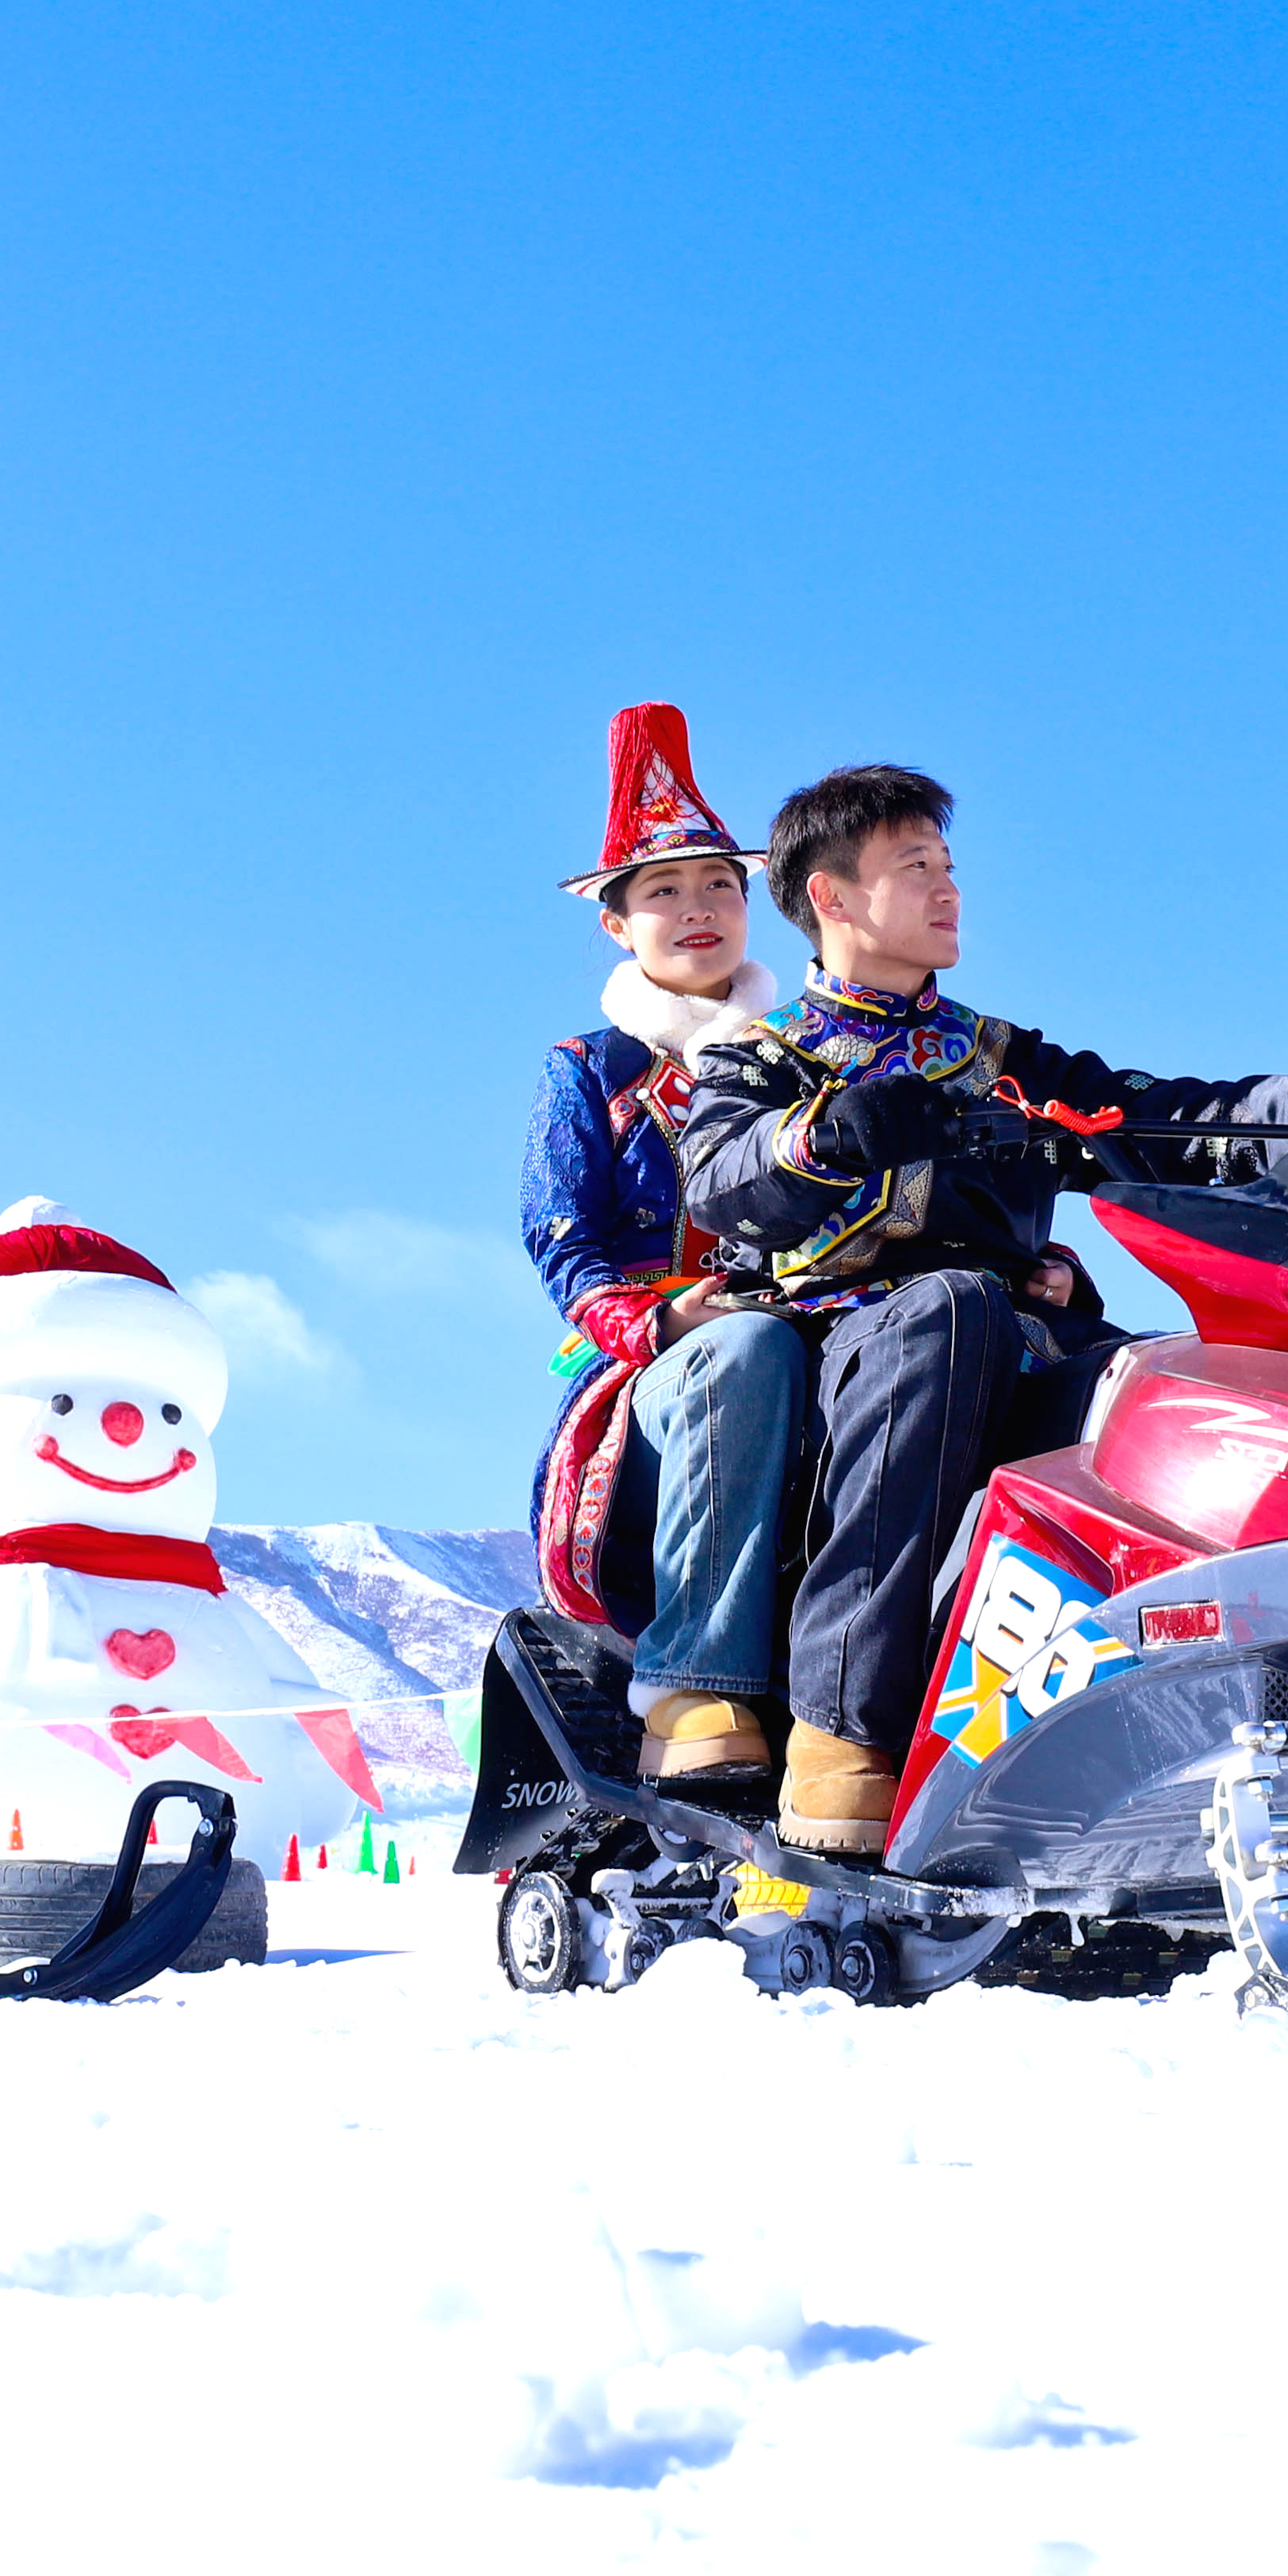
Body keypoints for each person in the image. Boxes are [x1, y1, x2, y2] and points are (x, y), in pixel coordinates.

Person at [683, 765, 1288, 1856]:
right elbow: (718, 1175)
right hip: (842, 1350)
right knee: (946, 1311)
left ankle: (1209, 1733)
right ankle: (844, 1724)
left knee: (1177, 1385)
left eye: (951, 868)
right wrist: (826, 1134)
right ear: (833, 898)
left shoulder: (1001, 1064)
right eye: (917, 869)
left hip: (1006, 1339)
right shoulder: (764, 1062)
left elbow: (1172, 1118)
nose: (951, 891)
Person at [521, 704, 809, 1786]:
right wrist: (660, 1319)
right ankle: (693, 1686)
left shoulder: (812, 1058)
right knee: (748, 1356)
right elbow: (563, 1242)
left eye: (721, 886)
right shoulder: (589, 1071)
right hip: (653, 1375)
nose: (699, 909)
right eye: (665, 891)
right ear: (615, 924)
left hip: (813, 1326)